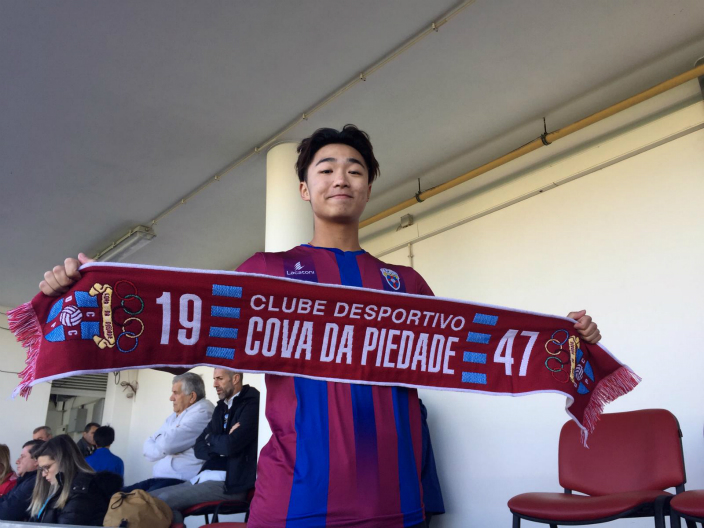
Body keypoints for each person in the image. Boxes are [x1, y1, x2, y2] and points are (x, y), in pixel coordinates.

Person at [38, 125, 602, 527]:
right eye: (326, 169)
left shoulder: (406, 283)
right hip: (297, 489)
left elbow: (474, 346)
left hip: (394, 489)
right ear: (306, 189)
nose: (341, 178)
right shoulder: (268, 272)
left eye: (355, 169)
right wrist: (79, 299)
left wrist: (564, 342)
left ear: (368, 187)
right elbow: (181, 334)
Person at [151, 368, 259, 524]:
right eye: (214, 379)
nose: (214, 384)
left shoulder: (252, 403)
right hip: (202, 477)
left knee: (163, 501)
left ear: (235, 379)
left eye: (219, 378)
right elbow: (199, 448)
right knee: (149, 499)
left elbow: (230, 446)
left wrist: (212, 440)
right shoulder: (221, 407)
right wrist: (221, 440)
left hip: (230, 484)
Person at [122, 372, 214, 493]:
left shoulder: (203, 412)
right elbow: (149, 446)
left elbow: (167, 445)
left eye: (176, 393)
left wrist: (162, 442)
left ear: (192, 397)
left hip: (180, 481)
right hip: (160, 478)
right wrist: (164, 443)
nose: (171, 398)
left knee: (135, 501)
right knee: (116, 495)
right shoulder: (175, 415)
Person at [28, 435, 122, 525]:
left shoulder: (81, 492)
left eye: (47, 467)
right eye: (41, 469)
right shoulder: (66, 487)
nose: (43, 474)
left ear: (63, 462)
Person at [0, 440, 44, 521]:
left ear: (37, 460)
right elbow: (4, 500)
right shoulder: (24, 480)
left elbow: (5, 513)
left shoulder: (34, 483)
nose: (17, 461)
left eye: (22, 457)